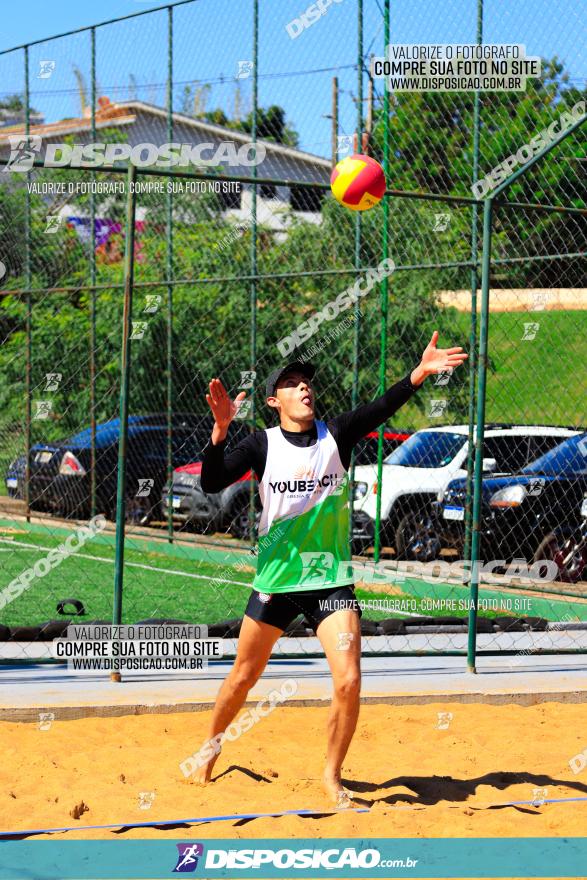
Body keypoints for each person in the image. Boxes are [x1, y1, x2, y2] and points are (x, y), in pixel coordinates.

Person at [196, 331, 467, 806]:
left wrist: (417, 376)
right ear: (273, 399)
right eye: (292, 382)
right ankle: (207, 750)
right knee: (243, 676)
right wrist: (219, 433)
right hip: (277, 581)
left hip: (330, 583)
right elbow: (213, 479)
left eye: (307, 381)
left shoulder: (334, 435)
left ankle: (332, 776)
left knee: (348, 679)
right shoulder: (261, 444)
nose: (304, 387)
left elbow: (379, 408)